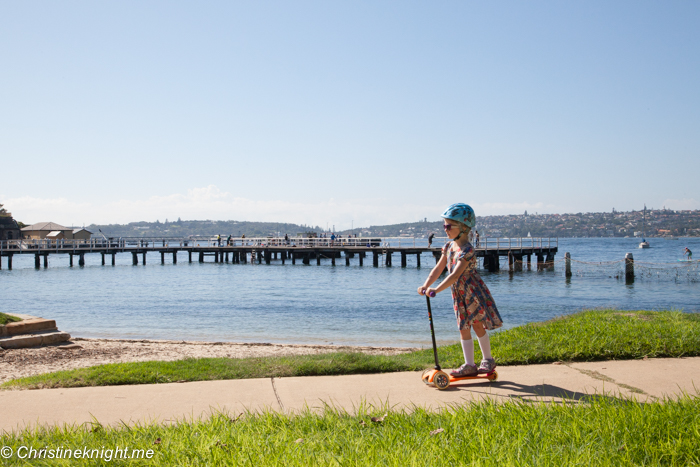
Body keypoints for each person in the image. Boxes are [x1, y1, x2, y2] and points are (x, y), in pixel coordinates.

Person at [417, 203, 503, 377]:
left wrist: (437, 290)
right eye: (444, 226)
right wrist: (426, 285)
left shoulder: (467, 250)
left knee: (477, 325)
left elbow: (455, 275)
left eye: (449, 226)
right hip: (458, 293)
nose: (445, 229)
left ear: (464, 228)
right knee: (463, 327)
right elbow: (439, 269)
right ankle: (469, 364)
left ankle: (487, 359)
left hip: (472, 292)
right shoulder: (449, 247)